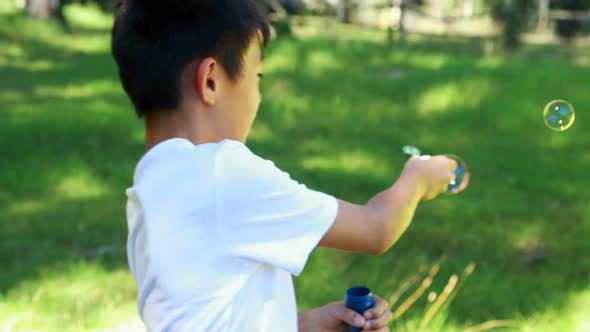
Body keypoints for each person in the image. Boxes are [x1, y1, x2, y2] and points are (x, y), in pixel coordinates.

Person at [111, 0, 457, 331]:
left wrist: (301, 324)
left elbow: (204, 316)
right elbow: (376, 229)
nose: (257, 96)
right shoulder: (223, 172)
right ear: (211, 81)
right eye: (256, 76)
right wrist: (417, 179)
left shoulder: (150, 185)